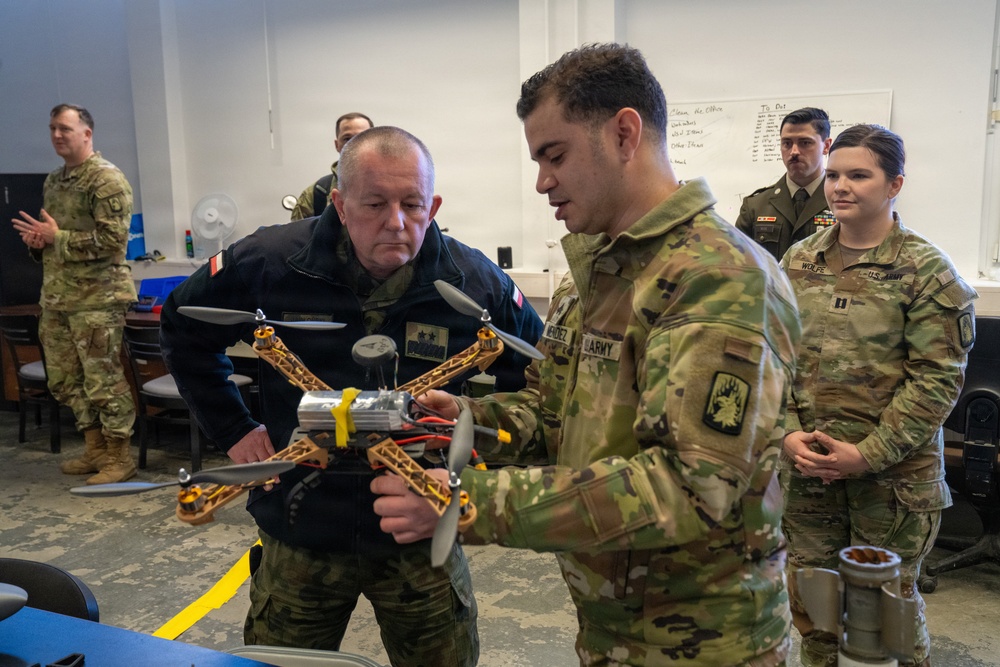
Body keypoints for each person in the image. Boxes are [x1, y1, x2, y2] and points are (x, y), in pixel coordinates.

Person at [372, 44, 801, 666]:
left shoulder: (719, 278)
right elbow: (555, 412)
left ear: (624, 134)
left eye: (555, 155)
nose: (543, 180)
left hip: (702, 643)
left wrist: (467, 503)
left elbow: (688, 487)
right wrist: (461, 419)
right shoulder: (597, 272)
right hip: (612, 622)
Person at [159, 125, 543, 666]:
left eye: (412, 204)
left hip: (419, 534)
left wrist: (472, 468)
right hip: (300, 526)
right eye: (375, 203)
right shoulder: (269, 263)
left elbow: (536, 381)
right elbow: (182, 326)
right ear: (339, 204)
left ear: (432, 205)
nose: (396, 222)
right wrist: (236, 430)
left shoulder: (473, 283)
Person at [778, 124, 977, 667]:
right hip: (809, 472)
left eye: (859, 175)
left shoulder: (927, 271)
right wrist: (787, 434)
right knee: (815, 611)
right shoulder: (798, 261)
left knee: (886, 619)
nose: (840, 186)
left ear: (895, 184)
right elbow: (771, 358)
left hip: (891, 481)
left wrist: (867, 454)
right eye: (835, 174)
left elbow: (937, 381)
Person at [10, 103, 138, 485]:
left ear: (87, 133)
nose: (56, 135)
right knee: (64, 380)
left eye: (64, 128)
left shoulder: (106, 180)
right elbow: (53, 239)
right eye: (52, 128)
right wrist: (38, 242)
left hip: (98, 299)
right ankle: (95, 449)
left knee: (103, 380)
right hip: (57, 298)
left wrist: (57, 238)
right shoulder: (54, 181)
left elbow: (114, 240)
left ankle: (120, 456)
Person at [735, 107, 835, 260]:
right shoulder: (755, 206)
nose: (794, 151)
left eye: (805, 143)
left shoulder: (843, 201)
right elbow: (739, 264)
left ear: (826, 146)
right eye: (787, 143)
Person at [288, 111, 374, 221]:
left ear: (373, 142)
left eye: (361, 137)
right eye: (347, 138)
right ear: (337, 145)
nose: (354, 144)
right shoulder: (315, 195)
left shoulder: (393, 188)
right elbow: (298, 236)